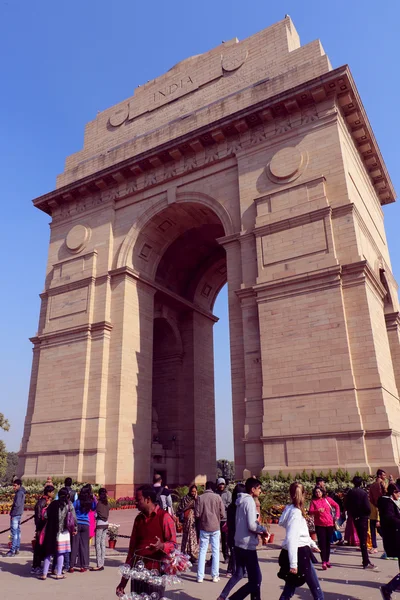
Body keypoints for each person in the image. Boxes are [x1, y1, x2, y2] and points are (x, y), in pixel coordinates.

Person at [116, 485, 177, 598]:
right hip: (137, 574)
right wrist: (123, 582)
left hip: (156, 575)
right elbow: (131, 552)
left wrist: (162, 546)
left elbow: (173, 545)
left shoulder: (164, 517)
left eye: (138, 499)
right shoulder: (138, 519)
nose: (135, 502)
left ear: (147, 499)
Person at [278, 482, 323, 600]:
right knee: (315, 587)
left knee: (290, 586)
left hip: (301, 550)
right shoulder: (296, 513)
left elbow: (300, 533)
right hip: (300, 552)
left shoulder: (292, 510)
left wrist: (312, 544)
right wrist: (293, 564)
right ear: (303, 494)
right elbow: (292, 538)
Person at [227, 477, 268, 600]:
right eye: (259, 488)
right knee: (256, 579)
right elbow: (251, 525)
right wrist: (263, 530)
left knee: (253, 578)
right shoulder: (249, 501)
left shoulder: (240, 501)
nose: (260, 491)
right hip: (247, 545)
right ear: (253, 489)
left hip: (239, 543)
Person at [39, 487, 77, 580]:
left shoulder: (53, 504)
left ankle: (44, 574)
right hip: (63, 532)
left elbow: (45, 515)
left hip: (51, 531)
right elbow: (74, 518)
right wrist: (75, 528)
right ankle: (58, 573)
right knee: (61, 553)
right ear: (67, 495)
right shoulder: (69, 504)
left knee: (48, 553)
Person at [217, 483, 247, 600]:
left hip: (233, 539)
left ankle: (223, 596)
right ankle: (224, 596)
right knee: (241, 573)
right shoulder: (240, 507)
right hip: (241, 541)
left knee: (241, 573)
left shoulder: (231, 507)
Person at [195, 480, 225, 583]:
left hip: (204, 526)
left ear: (205, 487)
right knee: (216, 551)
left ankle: (200, 576)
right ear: (213, 488)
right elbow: (223, 514)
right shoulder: (218, 497)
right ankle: (215, 576)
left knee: (202, 551)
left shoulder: (200, 498)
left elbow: (197, 514)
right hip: (215, 527)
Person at [345, 475, 376, 569]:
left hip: (355, 517)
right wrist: (367, 514)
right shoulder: (363, 493)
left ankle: (365, 560)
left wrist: (353, 513)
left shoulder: (350, 492)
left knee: (361, 539)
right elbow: (367, 507)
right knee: (363, 540)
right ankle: (366, 561)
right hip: (363, 517)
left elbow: (346, 505)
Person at [308, 486, 340, 570]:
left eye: (319, 492)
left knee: (327, 543)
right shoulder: (313, 501)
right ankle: (323, 561)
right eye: (316, 492)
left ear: (322, 492)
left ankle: (327, 560)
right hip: (319, 525)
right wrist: (317, 511)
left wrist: (337, 515)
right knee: (322, 544)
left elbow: (337, 506)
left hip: (329, 524)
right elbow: (310, 511)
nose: (318, 493)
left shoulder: (327, 499)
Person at [378, 483, 400, 599]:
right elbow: (390, 519)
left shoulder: (388, 502)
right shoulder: (387, 503)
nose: (399, 496)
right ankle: (388, 589)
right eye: (398, 493)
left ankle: (389, 588)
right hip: (396, 538)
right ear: (394, 493)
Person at [70, 484, 97, 572]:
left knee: (74, 544)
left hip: (77, 523)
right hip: (86, 524)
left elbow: (71, 509)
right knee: (84, 545)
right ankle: (83, 565)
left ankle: (71, 565)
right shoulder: (89, 502)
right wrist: (94, 498)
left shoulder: (77, 502)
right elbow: (94, 507)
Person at [31, 484, 55, 574]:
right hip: (41, 528)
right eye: (52, 492)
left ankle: (38, 565)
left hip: (44, 527)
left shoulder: (47, 501)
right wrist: (38, 529)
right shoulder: (42, 502)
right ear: (48, 493)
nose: (53, 494)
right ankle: (35, 566)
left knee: (42, 547)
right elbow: (38, 516)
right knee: (38, 547)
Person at [369, 469, 389, 554]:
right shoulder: (381, 485)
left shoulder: (372, 485)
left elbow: (370, 498)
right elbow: (381, 498)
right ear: (380, 475)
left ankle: (374, 547)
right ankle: (388, 546)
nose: (385, 477)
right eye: (384, 475)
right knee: (382, 531)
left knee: (373, 530)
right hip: (380, 511)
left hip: (372, 511)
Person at [178, 484, 199, 562]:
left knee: (192, 537)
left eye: (194, 491)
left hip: (193, 522)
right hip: (186, 521)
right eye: (192, 491)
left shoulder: (197, 499)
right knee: (186, 536)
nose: (193, 493)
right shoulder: (185, 499)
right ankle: (185, 553)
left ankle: (193, 554)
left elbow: (199, 508)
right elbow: (180, 509)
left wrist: (196, 499)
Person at [6, 478, 26, 557]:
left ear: (19, 485)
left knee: (14, 533)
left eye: (15, 485)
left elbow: (17, 504)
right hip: (19, 514)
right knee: (17, 532)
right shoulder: (22, 492)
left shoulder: (19, 493)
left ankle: (13, 550)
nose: (13, 487)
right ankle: (17, 548)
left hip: (15, 514)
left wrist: (12, 513)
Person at [92, 488, 110, 571]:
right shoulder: (107, 503)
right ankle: (102, 563)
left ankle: (99, 564)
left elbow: (96, 514)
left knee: (97, 544)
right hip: (106, 524)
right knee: (103, 544)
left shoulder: (99, 503)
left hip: (100, 524)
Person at [216, 478, 232, 563]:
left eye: (223, 484)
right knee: (215, 539)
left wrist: (221, 506)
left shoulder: (228, 493)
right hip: (217, 519)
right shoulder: (215, 493)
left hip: (225, 519)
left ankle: (226, 556)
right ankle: (213, 557)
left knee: (225, 539)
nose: (221, 486)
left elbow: (229, 504)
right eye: (220, 484)